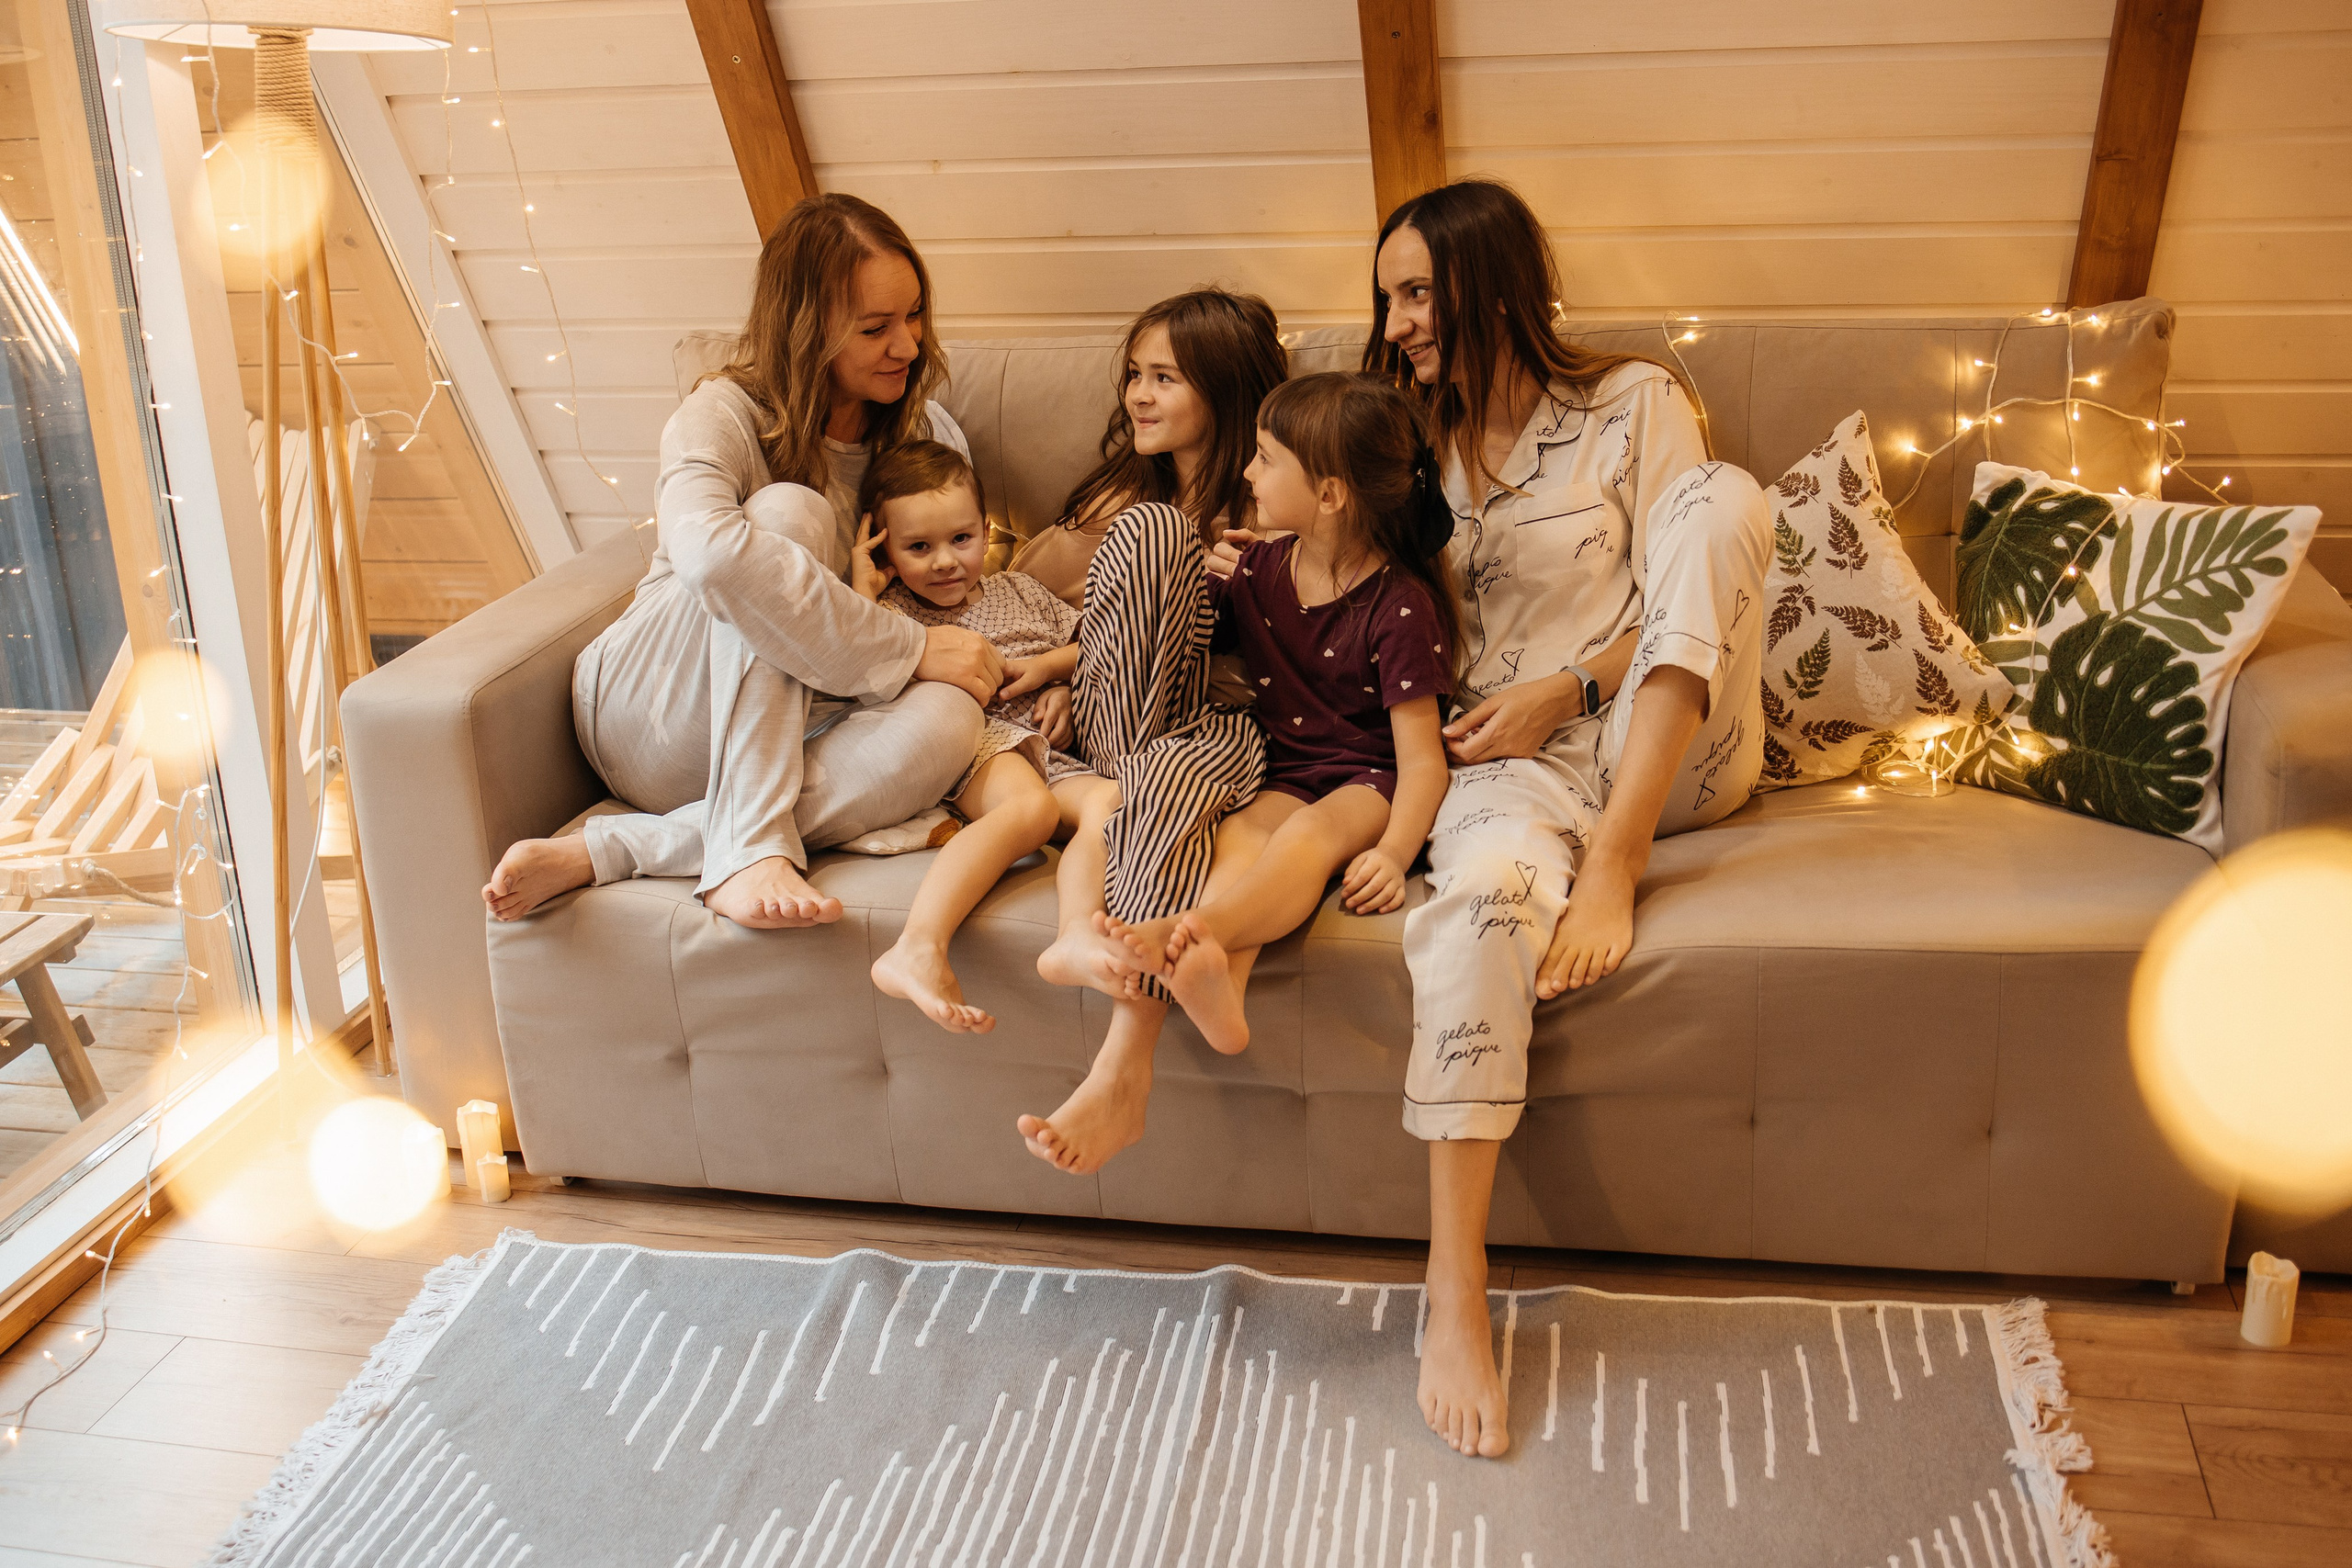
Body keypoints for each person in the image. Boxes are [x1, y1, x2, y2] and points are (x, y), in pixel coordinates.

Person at [1373, 180, 1771, 1459]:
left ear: (1490, 281)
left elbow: (1674, 596)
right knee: (1481, 910)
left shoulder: (1632, 402)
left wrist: (1575, 684)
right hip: (1508, 766)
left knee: (1721, 500)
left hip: (1672, 734)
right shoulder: (1402, 440)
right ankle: (1454, 1286)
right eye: (1387, 297)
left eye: (1417, 291)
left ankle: (1619, 862)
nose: (1396, 322)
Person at [481, 195, 1004, 928]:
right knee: (791, 514)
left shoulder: (928, 431)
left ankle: (625, 847)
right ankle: (750, 841)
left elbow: (960, 595)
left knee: (953, 720)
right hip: (656, 705)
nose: (909, 346)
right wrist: (909, 645)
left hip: (802, 727)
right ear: (807, 327)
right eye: (876, 327)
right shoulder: (722, 413)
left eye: (914, 316)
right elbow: (712, 560)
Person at [1013, 289, 1291, 1175]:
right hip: (1118, 719)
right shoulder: (1130, 502)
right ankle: (1132, 791)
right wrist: (1068, 673)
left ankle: (1121, 1069)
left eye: (1165, 378)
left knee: (1171, 774)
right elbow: (1074, 606)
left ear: (1225, 388)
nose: (1139, 393)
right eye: (1135, 374)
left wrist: (1255, 582)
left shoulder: (1275, 494)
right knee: (1147, 529)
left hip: (1215, 730)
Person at [1102, 374, 1455, 1060]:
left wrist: (1393, 851)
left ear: (1328, 494)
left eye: (1265, 458)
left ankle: (1193, 930)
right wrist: (1064, 667)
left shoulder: (1400, 605)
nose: (1246, 470)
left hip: (1367, 777)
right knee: (1239, 837)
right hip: (1286, 767)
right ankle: (1221, 986)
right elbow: (1179, 632)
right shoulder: (1259, 568)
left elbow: (1421, 761)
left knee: (1306, 836)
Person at [848, 441, 1119, 1034]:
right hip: (976, 748)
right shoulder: (894, 615)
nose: (944, 561)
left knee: (1110, 800)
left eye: (961, 540)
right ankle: (917, 945)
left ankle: (1076, 931)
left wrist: (1061, 681)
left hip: (1049, 748)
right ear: (884, 549)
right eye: (919, 547)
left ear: (987, 529)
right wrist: (864, 592)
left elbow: (1092, 643)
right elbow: (861, 676)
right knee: (1032, 809)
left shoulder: (1018, 590)